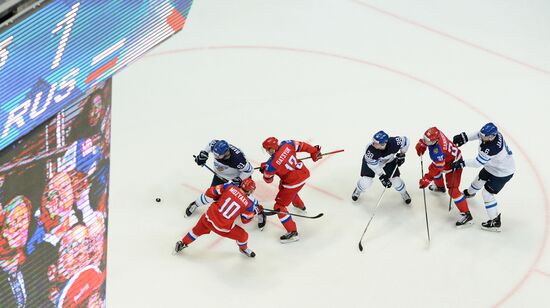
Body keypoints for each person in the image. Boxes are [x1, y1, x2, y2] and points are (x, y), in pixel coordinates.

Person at [451, 123, 514, 231]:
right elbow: (478, 134)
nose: (481, 137)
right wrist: (464, 137)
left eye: (483, 136)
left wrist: (461, 163)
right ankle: (469, 193)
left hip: (502, 173)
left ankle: (495, 221)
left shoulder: (491, 148)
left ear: (491, 137)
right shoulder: (491, 136)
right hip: (492, 166)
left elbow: (477, 163)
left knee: (487, 193)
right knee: (479, 179)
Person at [175, 178, 260, 258]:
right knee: (243, 236)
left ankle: (182, 243)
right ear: (250, 190)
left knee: (195, 231)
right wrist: (255, 211)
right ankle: (243, 249)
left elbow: (210, 192)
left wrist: (222, 193)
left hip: (208, 218)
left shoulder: (229, 186)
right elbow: (245, 220)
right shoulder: (249, 204)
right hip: (222, 227)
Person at [259, 137, 322, 243]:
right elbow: (303, 146)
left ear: (271, 149)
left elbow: (268, 180)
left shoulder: (271, 164)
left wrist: (264, 170)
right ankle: (300, 205)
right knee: (282, 187)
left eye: (267, 149)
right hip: (304, 173)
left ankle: (293, 232)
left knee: (279, 206)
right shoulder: (287, 144)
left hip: (292, 183)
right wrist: (314, 152)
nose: (266, 151)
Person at [416, 127, 472, 227]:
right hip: (449, 159)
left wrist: (427, 178)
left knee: (453, 190)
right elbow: (430, 139)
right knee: (432, 169)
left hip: (454, 165)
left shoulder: (437, 152)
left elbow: (438, 167)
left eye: (427, 141)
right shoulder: (437, 133)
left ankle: (466, 214)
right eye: (424, 138)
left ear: (435, 141)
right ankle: (440, 187)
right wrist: (423, 143)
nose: (425, 140)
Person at [187, 139, 254, 217]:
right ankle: (196, 204)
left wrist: (239, 179)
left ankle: (250, 211)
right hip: (221, 174)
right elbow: (210, 144)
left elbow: (249, 170)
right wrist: (204, 153)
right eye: (215, 155)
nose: (216, 157)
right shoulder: (216, 146)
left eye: (219, 156)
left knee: (242, 199)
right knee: (212, 193)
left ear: (227, 153)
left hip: (238, 178)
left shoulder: (238, 160)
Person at [352, 131, 411, 204]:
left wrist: (402, 154)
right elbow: (373, 165)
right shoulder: (370, 151)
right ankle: (358, 190)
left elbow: (406, 141)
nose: (373, 144)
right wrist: (382, 176)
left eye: (376, 143)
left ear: (383, 144)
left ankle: (403, 192)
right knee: (366, 181)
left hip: (388, 161)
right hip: (371, 163)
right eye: (373, 141)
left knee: (396, 181)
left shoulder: (394, 142)